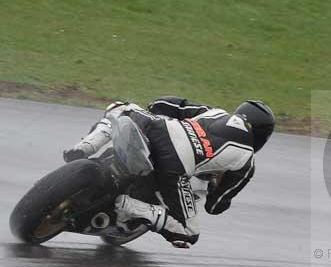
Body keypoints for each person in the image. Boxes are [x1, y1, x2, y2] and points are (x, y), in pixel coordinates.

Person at [63, 96, 275, 248]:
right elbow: (215, 205)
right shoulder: (247, 161)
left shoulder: (214, 111)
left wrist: (153, 110)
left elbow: (167, 103)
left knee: (119, 108)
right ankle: (128, 205)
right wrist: (215, 185)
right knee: (189, 233)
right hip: (175, 167)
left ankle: (83, 148)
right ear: (261, 137)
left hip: (155, 128)